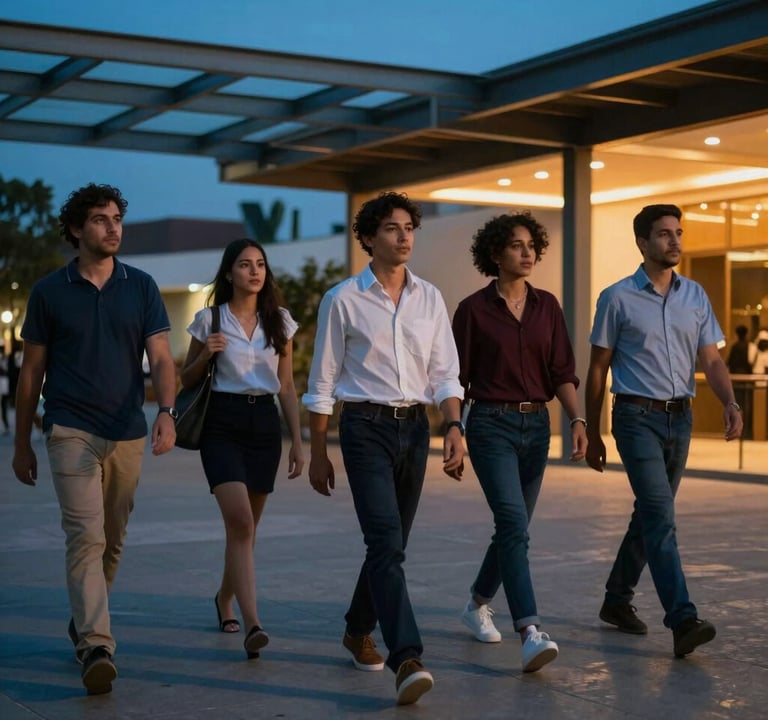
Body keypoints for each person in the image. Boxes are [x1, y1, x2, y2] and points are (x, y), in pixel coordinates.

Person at [11, 183, 178, 695]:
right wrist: (21, 442)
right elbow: (31, 371)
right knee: (84, 537)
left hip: (126, 430)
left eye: (116, 219)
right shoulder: (49, 291)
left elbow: (163, 358)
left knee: (112, 539)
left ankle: (85, 619)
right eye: (101, 220)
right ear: (77, 229)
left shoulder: (141, 285)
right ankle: (97, 645)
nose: (112, 228)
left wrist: (167, 411)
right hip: (69, 429)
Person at [302, 191, 465, 706]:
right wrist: (319, 450)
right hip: (364, 429)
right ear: (369, 237)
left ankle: (357, 628)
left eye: (409, 228)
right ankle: (407, 656)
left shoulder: (430, 298)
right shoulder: (342, 298)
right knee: (386, 543)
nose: (404, 236)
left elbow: (445, 372)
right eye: (392, 228)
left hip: (416, 429)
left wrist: (454, 427)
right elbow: (323, 379)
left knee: (390, 546)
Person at [585, 203, 743, 659]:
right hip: (635, 417)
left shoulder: (695, 295)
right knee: (660, 515)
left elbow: (710, 359)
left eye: (678, 232)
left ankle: (617, 599)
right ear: (642, 242)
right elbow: (599, 368)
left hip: (682, 418)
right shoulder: (616, 297)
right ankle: (682, 619)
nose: (674, 241)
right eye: (663, 234)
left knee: (652, 514)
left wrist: (730, 401)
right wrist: (593, 431)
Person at [451, 212, 587, 673]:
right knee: (512, 522)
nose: (527, 253)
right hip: (490, 425)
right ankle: (530, 630)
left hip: (537, 428)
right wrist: (454, 430)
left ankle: (475, 603)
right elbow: (455, 377)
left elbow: (562, 371)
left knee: (514, 529)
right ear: (495, 253)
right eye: (515, 245)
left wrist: (577, 419)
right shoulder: (472, 310)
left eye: (531, 245)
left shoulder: (547, 305)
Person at [179, 238, 304, 660]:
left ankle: (224, 598)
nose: (254, 271)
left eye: (260, 264)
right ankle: (254, 624)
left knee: (246, 531)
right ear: (229, 272)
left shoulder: (280, 322)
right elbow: (186, 378)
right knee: (240, 522)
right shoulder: (209, 319)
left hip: (265, 426)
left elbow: (286, 385)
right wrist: (205, 356)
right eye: (245, 264)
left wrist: (298, 442)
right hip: (222, 424)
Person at [727, 325, 757, 438]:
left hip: (736, 380)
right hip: (747, 380)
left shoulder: (734, 347)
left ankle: (735, 432)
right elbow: (751, 363)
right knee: (748, 407)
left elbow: (728, 363)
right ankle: (747, 433)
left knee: (736, 406)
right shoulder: (750, 346)